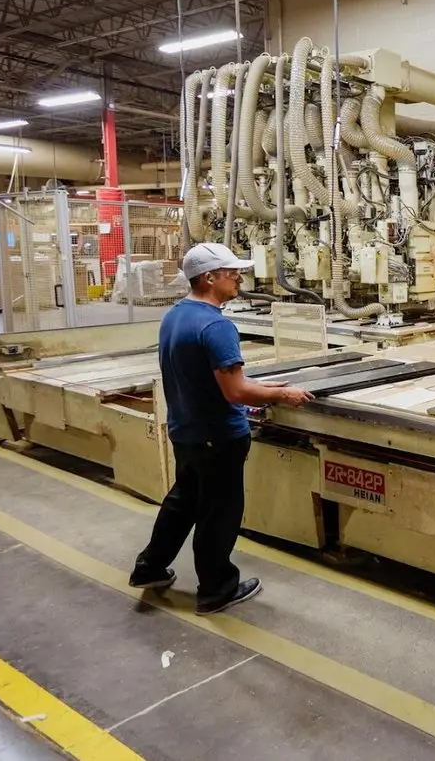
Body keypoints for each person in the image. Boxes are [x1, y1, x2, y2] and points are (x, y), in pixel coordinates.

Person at [128, 243, 313, 616]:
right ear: (209, 278)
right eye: (232, 274)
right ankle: (216, 589)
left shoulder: (175, 315)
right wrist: (282, 394)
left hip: (185, 430)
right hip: (218, 436)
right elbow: (237, 391)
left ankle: (148, 568)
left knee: (183, 502)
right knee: (219, 513)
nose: (239, 280)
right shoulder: (216, 325)